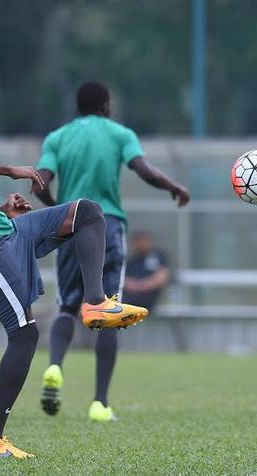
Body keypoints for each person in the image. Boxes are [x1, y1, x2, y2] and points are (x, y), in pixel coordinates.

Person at [0, 49, 148, 459]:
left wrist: (0, 206)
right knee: (25, 334)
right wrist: (8, 170)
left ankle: (96, 302)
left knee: (86, 212)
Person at [35, 81, 190, 422]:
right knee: (107, 310)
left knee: (67, 305)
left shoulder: (57, 138)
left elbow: (39, 181)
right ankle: (99, 404)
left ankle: (56, 367)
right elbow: (144, 170)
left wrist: (58, 209)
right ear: (106, 105)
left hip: (71, 225)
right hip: (109, 227)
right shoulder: (120, 134)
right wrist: (173, 186)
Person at [123, 231, 171, 312]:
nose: (142, 244)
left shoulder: (158, 257)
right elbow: (123, 279)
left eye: (144, 241)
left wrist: (144, 285)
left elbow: (162, 276)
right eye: (138, 241)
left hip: (150, 300)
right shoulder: (131, 261)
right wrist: (135, 286)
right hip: (130, 300)